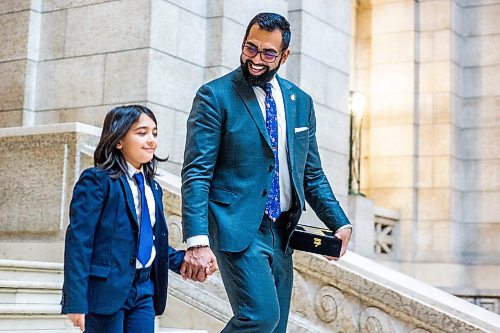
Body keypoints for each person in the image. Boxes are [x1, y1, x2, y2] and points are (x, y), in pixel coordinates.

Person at [181, 12, 353, 333]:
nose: (256, 59)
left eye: (268, 53)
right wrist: (197, 241)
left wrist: (339, 222)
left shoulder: (300, 102)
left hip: (283, 230)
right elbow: (197, 172)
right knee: (260, 317)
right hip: (236, 227)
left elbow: (310, 173)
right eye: (250, 48)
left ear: (284, 56)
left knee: (276, 328)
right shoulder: (215, 96)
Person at [61, 105, 211, 332]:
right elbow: (78, 243)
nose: (151, 140)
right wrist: (76, 301)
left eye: (154, 133)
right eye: (141, 133)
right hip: (106, 291)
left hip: (145, 290)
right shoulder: (97, 180)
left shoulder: (153, 188)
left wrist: (183, 262)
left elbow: (149, 241)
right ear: (118, 140)